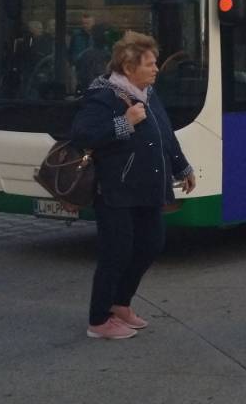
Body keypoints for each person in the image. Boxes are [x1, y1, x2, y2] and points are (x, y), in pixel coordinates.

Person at [70, 31, 197, 340]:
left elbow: (165, 133)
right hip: (116, 189)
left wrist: (182, 166)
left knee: (151, 243)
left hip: (148, 186)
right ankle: (99, 320)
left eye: (155, 63)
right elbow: (82, 135)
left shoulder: (148, 94)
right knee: (116, 252)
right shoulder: (104, 96)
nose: (156, 69)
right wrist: (125, 122)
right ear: (129, 67)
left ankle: (120, 303)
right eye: (150, 64)